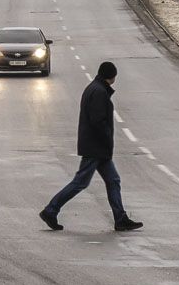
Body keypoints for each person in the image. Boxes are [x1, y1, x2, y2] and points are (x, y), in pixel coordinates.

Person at [40, 61, 143, 232]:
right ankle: (51, 210)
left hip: (98, 148)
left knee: (113, 180)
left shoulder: (95, 88)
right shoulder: (99, 92)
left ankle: (120, 218)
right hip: (95, 147)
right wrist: (107, 138)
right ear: (112, 76)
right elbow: (98, 121)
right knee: (80, 182)